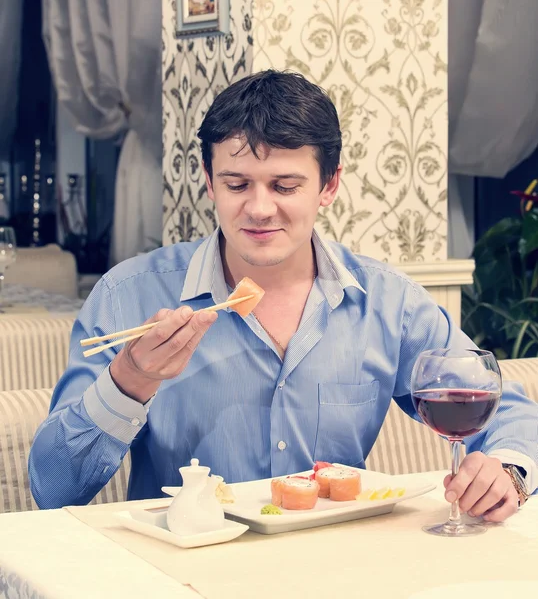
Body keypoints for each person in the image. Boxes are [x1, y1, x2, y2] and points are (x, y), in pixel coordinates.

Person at [29, 70, 537, 522]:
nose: (259, 208)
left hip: (339, 571)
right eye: (237, 184)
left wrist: (508, 471)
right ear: (209, 182)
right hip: (181, 571)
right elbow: (52, 489)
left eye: (285, 186)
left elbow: (503, 406)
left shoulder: (388, 303)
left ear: (329, 185)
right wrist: (131, 381)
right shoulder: (129, 294)